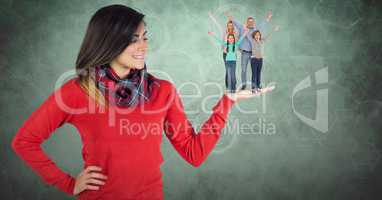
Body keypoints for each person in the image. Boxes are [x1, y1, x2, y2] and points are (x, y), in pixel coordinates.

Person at [11, 4, 273, 200]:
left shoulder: (162, 90)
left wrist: (227, 102)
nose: (143, 46)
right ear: (109, 42)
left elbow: (194, 153)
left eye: (144, 37)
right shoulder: (78, 91)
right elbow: (24, 142)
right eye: (133, 40)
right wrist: (68, 184)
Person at [226, 11, 273, 90]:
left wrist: (268, 18)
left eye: (252, 22)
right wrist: (229, 15)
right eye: (249, 22)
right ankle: (244, 84)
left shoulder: (255, 29)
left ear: (253, 23)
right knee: (243, 69)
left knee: (255, 71)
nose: (250, 23)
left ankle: (256, 85)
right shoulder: (242, 27)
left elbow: (262, 25)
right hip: (244, 53)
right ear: (246, 22)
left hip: (254, 54)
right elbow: (234, 21)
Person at [250, 26, 279, 93]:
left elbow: (267, 37)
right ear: (254, 36)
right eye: (256, 35)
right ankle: (253, 88)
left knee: (259, 73)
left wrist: (273, 30)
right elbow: (248, 35)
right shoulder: (252, 41)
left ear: (260, 36)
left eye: (258, 35)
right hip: (254, 59)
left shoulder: (261, 41)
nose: (257, 36)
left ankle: (258, 87)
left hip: (260, 60)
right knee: (254, 74)